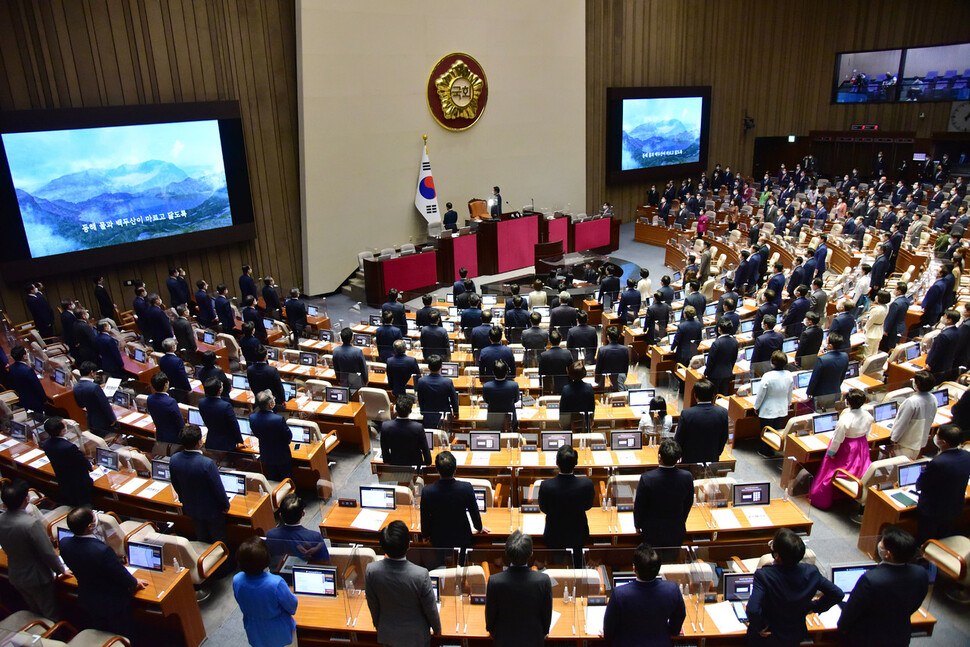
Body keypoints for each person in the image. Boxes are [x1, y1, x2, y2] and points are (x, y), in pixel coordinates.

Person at [59, 507, 148, 636]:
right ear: (90, 526)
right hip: (113, 602)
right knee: (121, 634)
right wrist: (135, 582)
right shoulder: (102, 550)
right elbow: (120, 575)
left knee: (100, 629)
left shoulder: (64, 543)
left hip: (87, 597)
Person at [746, 528, 843, 647]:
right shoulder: (811, 572)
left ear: (777, 556)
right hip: (795, 635)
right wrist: (813, 607)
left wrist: (760, 627)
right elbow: (837, 594)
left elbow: (752, 609)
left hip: (768, 637)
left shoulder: (764, 576)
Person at [837, 525, 929, 647]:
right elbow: (916, 603)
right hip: (900, 635)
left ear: (887, 554)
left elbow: (851, 613)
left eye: (882, 543)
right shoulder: (920, 573)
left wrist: (841, 627)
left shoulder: (871, 580)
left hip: (867, 639)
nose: (879, 544)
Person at [365, 520, 441, 646]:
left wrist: (379, 626)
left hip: (388, 635)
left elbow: (373, 605)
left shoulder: (371, 571)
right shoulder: (420, 575)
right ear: (408, 545)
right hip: (416, 638)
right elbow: (431, 609)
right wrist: (437, 629)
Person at [0, 479, 68, 619]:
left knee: (33, 610)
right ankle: (54, 637)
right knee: (49, 614)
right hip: (37, 577)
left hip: (15, 573)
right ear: (27, 499)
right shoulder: (30, 524)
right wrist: (61, 570)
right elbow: (47, 553)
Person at [603, 542, 686, 647]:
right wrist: (672, 631)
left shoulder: (620, 594)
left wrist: (607, 634)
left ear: (634, 568)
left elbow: (609, 628)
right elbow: (680, 616)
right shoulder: (672, 589)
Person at [485, 531, 552, 647]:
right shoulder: (543, 581)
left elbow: (490, 618)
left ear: (506, 553)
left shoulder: (494, 581)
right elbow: (546, 619)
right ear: (531, 553)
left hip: (504, 641)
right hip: (534, 640)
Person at [808, 389, 873, 509]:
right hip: (861, 445)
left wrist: (832, 452)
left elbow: (837, 439)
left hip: (847, 448)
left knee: (830, 469)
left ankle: (821, 498)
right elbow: (867, 432)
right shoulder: (868, 415)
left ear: (847, 402)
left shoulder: (845, 419)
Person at [232, 536, 299, 647]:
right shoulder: (276, 583)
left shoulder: (237, 579)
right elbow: (292, 607)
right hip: (279, 633)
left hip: (254, 631)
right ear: (267, 559)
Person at [170, 425, 230, 542]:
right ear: (199, 442)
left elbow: (176, 484)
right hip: (212, 511)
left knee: (201, 538)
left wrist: (184, 499)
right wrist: (225, 505)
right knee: (218, 542)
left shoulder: (174, 459)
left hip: (191, 507)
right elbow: (217, 488)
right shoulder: (207, 464)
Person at [538, 445, 595, 567]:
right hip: (578, 535)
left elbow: (544, 509)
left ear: (557, 462)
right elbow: (588, 506)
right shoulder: (586, 484)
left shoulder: (546, 486)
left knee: (557, 568)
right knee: (578, 568)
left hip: (554, 535)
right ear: (576, 463)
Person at [420, 451, 487, 550]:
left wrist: (425, 535)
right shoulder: (466, 488)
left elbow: (424, 518)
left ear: (437, 470)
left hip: (438, 540)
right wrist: (479, 527)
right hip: (462, 539)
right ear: (456, 469)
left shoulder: (427, 491)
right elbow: (474, 513)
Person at [633, 439, 693, 550]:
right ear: (678, 459)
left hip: (652, 531)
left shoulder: (647, 478)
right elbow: (688, 503)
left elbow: (640, 506)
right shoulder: (687, 477)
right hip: (676, 528)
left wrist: (638, 525)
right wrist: (680, 520)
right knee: (672, 559)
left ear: (659, 457)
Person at [916, 423, 970, 542]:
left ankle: (924, 554)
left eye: (937, 436)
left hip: (933, 509)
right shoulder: (967, 456)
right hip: (955, 506)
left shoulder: (938, 462)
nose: (935, 437)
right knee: (944, 532)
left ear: (943, 442)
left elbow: (921, 485)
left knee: (927, 537)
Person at [42, 416, 93, 507]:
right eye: (65, 425)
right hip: (79, 482)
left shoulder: (46, 444)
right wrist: (90, 467)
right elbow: (83, 462)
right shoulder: (69, 447)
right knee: (84, 503)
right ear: (62, 431)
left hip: (63, 479)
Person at [675, 379, 729, 464]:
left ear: (695, 395)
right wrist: (717, 453)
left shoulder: (687, 414)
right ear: (713, 395)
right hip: (712, 457)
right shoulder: (723, 412)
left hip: (690, 459)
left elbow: (679, 438)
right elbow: (724, 437)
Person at [265, 494, 329, 565]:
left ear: (280, 515)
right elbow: (325, 562)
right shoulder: (315, 537)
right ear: (303, 513)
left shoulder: (270, 534)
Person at [754, 351, 794, 457]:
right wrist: (788, 403)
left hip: (768, 408)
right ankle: (772, 448)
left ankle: (765, 451)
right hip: (782, 408)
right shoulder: (789, 375)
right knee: (776, 430)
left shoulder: (768, 376)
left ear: (772, 362)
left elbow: (761, 394)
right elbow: (790, 392)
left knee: (765, 431)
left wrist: (756, 407)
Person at [890, 371, 938, 459]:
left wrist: (894, 438)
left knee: (900, 467)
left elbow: (902, 423)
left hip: (906, 443)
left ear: (916, 385)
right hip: (920, 441)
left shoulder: (911, 402)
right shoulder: (933, 398)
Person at [250, 390, 293, 480]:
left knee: (272, 476)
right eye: (273, 398)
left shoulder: (252, 418)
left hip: (266, 453)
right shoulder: (278, 419)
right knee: (286, 478)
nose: (274, 399)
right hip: (281, 454)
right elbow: (288, 436)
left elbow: (256, 433)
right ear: (270, 405)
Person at [381, 394, 431, 468]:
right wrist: (427, 462)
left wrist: (388, 463)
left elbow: (385, 450)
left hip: (395, 465)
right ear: (410, 411)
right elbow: (425, 449)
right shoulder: (418, 427)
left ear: (396, 410)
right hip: (415, 466)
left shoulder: (385, 426)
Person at [806, 332, 849, 411]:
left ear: (830, 346)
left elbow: (814, 378)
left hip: (821, 394)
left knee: (820, 415)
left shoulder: (822, 359)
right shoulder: (845, 356)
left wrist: (809, 392)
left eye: (826, 341)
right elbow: (842, 376)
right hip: (836, 391)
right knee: (832, 413)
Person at [199, 377, 243, 452]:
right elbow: (233, 425)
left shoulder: (201, 402)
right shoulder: (226, 406)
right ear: (219, 391)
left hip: (211, 440)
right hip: (226, 443)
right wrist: (240, 441)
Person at [73, 361, 116, 437]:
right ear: (91, 372)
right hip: (103, 421)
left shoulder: (75, 387)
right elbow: (105, 405)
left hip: (90, 420)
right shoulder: (94, 387)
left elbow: (80, 404)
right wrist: (112, 419)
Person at [416, 354, 458, 428]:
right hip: (445, 416)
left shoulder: (421, 381)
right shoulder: (448, 382)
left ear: (428, 367)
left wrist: (423, 412)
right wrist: (456, 413)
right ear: (441, 366)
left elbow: (420, 399)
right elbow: (454, 400)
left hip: (428, 416)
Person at [146, 372, 184, 447]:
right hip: (174, 439)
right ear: (166, 384)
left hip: (160, 435)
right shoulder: (170, 402)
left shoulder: (149, 399)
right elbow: (180, 423)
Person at [704, 318, 739, 396]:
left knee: (713, 396)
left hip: (714, 375)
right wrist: (729, 369)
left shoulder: (716, 343)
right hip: (727, 373)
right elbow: (734, 359)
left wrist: (706, 373)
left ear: (719, 329)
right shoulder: (735, 342)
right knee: (724, 396)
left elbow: (710, 361)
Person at [7, 345, 46, 414]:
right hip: (34, 401)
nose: (28, 354)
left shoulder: (11, 368)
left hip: (23, 398)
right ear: (24, 356)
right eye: (26, 353)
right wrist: (44, 399)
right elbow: (37, 386)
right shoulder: (28, 370)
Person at [482, 360, 520, 427]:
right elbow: (516, 400)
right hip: (510, 421)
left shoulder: (486, 386)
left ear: (493, 372)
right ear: (507, 372)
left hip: (493, 420)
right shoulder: (514, 385)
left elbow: (486, 400)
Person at [926, 309, 961, 380]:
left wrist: (930, 364)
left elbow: (938, 352)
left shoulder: (944, 335)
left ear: (949, 320)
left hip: (938, 366)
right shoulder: (957, 331)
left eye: (944, 316)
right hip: (948, 363)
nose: (942, 317)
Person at [248, 345, 286, 409]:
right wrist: (283, 400)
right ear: (266, 356)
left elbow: (251, 385)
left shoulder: (250, 369)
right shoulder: (272, 370)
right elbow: (279, 387)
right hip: (272, 401)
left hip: (258, 399)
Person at [595, 326, 631, 390]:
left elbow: (598, 368)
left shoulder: (602, 350)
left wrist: (597, 380)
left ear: (608, 337)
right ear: (619, 336)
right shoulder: (625, 349)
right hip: (620, 380)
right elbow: (626, 367)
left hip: (605, 381)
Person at [538, 329, 571, 394]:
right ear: (561, 339)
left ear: (549, 341)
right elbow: (571, 372)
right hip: (565, 386)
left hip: (549, 387)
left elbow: (541, 374)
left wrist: (541, 385)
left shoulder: (543, 355)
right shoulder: (567, 354)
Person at [864, 290, 890, 357]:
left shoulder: (876, 310)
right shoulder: (886, 307)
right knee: (875, 352)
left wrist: (865, 328)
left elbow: (870, 321)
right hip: (879, 330)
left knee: (867, 353)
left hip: (872, 332)